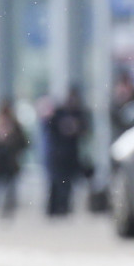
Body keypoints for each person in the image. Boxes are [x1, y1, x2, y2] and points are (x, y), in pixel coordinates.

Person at [45, 85, 91, 216]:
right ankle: (54, 208)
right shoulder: (58, 113)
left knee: (67, 183)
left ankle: (64, 207)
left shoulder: (79, 114)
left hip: (71, 154)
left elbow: (85, 130)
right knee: (56, 182)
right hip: (58, 154)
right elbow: (51, 128)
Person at [0, 101, 29, 218]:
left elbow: (24, 143)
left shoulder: (15, 126)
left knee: (10, 189)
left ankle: (8, 211)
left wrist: (11, 140)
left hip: (10, 162)